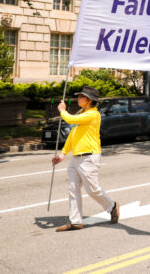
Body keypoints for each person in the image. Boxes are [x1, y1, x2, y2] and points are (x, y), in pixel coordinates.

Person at [51, 86, 119, 232]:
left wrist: (62, 110)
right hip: (76, 158)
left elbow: (70, 119)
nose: (78, 99)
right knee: (73, 189)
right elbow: (72, 135)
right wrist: (63, 154)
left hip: (89, 157)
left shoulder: (93, 115)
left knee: (92, 190)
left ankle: (112, 206)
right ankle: (75, 221)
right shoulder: (82, 113)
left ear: (88, 100)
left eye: (80, 97)